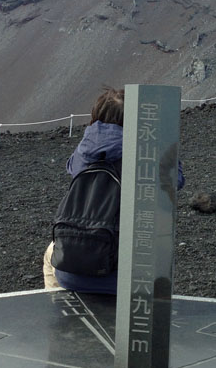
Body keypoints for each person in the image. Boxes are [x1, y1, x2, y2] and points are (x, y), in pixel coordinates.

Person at [43, 86, 184, 294]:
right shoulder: (147, 154)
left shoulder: (85, 150)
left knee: (49, 255)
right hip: (129, 280)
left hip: (70, 268)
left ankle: (61, 306)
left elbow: (72, 167)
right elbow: (176, 182)